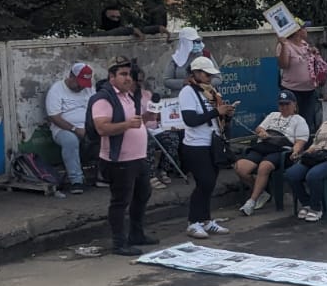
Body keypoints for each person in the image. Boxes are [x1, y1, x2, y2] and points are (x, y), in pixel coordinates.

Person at [90, 57, 158, 257]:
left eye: (129, 74)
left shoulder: (128, 96)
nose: (128, 78)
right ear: (111, 76)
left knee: (142, 194)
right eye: (123, 74)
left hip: (138, 157)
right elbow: (102, 128)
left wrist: (146, 118)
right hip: (119, 159)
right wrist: (128, 125)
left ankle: (136, 234)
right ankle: (119, 243)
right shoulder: (103, 99)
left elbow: (134, 122)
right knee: (120, 201)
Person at [177, 56, 232, 239]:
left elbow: (216, 117)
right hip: (196, 145)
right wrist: (216, 111)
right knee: (204, 182)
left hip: (212, 142)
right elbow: (190, 120)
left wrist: (226, 114)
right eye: (207, 75)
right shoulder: (187, 92)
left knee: (210, 183)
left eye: (211, 75)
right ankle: (193, 222)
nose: (210, 78)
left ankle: (206, 220)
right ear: (196, 73)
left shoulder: (209, 92)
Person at [236, 90, 310, 215]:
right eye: (281, 104)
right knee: (240, 167)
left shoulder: (299, 120)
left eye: (287, 104)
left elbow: (300, 142)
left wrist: (295, 151)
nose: (284, 107)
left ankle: (251, 202)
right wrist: (262, 132)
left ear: (294, 104)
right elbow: (259, 128)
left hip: (281, 150)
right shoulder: (273, 115)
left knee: (264, 166)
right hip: (263, 146)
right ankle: (262, 192)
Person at [45, 61, 96, 193]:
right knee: (70, 141)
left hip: (88, 126)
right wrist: (75, 129)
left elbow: (96, 108)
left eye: (84, 84)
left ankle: (103, 176)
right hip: (64, 129)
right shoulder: (56, 90)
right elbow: (54, 116)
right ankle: (76, 180)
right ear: (71, 76)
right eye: (79, 83)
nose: (81, 87)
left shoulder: (89, 89)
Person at [276, 22, 323, 130]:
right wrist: (283, 45)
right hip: (292, 90)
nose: (306, 30)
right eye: (304, 28)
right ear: (297, 31)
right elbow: (283, 65)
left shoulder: (305, 44)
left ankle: (306, 140)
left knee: (307, 122)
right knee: (291, 121)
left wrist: (315, 54)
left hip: (309, 90)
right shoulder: (284, 44)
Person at [163, 28, 207, 95]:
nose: (195, 44)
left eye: (197, 41)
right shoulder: (175, 59)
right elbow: (166, 81)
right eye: (192, 41)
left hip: (202, 96)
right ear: (184, 42)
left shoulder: (205, 55)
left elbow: (217, 78)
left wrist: (203, 82)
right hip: (179, 97)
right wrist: (183, 82)